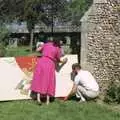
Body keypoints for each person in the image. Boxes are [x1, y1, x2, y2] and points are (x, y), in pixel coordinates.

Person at [31, 38, 67, 105]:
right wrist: (64, 61)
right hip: (49, 64)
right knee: (49, 81)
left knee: (39, 80)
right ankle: (47, 101)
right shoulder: (57, 49)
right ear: (59, 43)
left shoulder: (47, 44)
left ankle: (38, 99)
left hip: (41, 62)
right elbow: (58, 59)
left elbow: (38, 50)